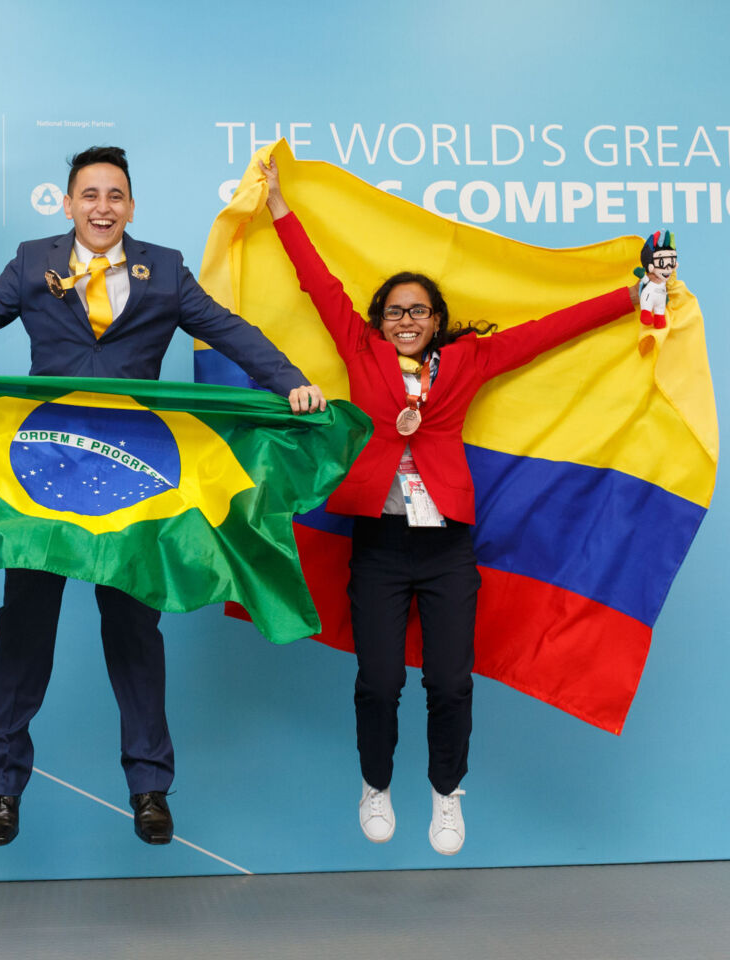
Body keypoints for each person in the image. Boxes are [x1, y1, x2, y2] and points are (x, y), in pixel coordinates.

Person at [0, 145, 325, 847]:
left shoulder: (165, 270)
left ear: (131, 206)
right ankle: (2, 789)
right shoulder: (31, 262)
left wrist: (288, 379)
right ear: (68, 203)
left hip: (136, 476)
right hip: (42, 469)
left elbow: (229, 331)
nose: (103, 206)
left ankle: (149, 789)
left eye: (115, 195)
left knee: (134, 630)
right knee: (23, 628)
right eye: (90, 194)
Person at [259, 156, 639, 856]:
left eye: (419, 311)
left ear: (436, 321)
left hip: (446, 549)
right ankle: (375, 785)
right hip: (377, 544)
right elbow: (318, 282)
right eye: (395, 310)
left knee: (449, 681)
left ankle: (444, 793)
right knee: (377, 681)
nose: (407, 320)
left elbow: (548, 330)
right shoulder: (361, 351)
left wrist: (631, 295)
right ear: (381, 319)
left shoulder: (466, 363)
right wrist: (281, 208)